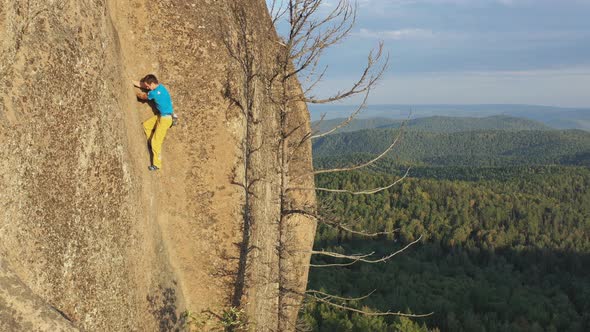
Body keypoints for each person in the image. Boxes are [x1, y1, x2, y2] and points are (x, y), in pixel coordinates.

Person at [133, 74, 175, 171]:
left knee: (156, 142)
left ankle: (157, 165)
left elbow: (143, 97)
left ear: (152, 83)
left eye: (148, 86)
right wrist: (132, 82)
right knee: (146, 126)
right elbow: (144, 85)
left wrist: (135, 94)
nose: (147, 88)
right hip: (163, 116)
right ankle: (151, 142)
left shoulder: (154, 93)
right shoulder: (161, 87)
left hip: (165, 120)